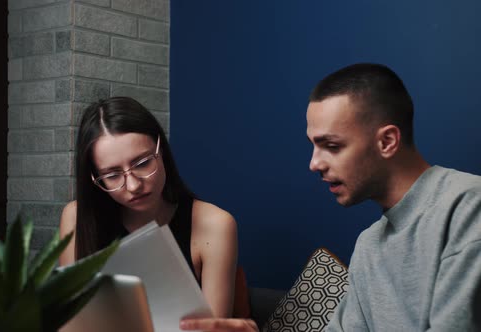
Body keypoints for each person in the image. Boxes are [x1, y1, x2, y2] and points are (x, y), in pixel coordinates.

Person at [180, 63, 481, 331]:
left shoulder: (467, 207)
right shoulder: (369, 245)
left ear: (387, 141)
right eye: (313, 145)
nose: (314, 163)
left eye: (332, 146)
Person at [59, 96, 238, 318]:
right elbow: (69, 317)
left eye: (143, 163)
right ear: (96, 179)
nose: (134, 186)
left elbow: (215, 327)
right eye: (113, 175)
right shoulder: (76, 217)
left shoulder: (215, 225)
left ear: (161, 150)